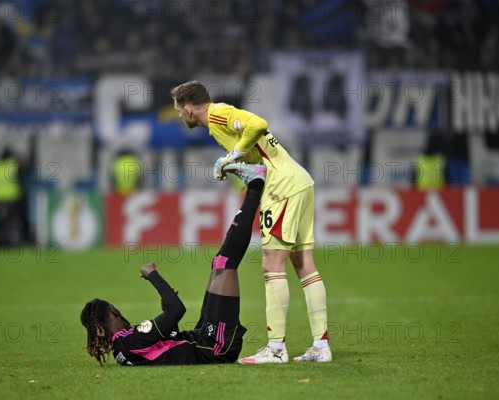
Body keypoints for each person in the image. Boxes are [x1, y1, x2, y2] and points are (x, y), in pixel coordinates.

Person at [170, 81, 332, 364]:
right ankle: (321, 346)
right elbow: (256, 157)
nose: (179, 117)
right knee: (304, 265)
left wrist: (233, 155)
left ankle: (276, 349)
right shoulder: (218, 124)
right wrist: (236, 168)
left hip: (281, 186)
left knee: (272, 266)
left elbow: (257, 123)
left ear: (187, 107)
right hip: (299, 181)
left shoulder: (217, 113)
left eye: (178, 111)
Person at [80, 162, 266, 366]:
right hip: (213, 347)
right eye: (116, 310)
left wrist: (166, 305)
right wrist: (153, 276)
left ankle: (254, 186)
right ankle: (256, 185)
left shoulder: (123, 349)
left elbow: (171, 338)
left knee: (218, 264)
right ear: (113, 313)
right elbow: (178, 309)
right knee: (224, 263)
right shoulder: (129, 339)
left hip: (204, 342)